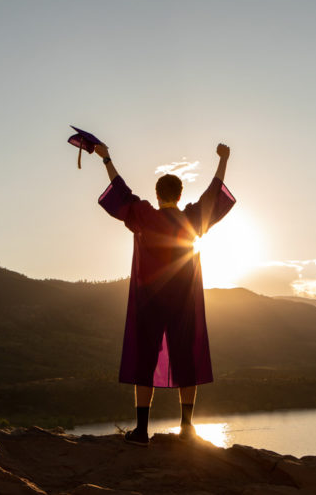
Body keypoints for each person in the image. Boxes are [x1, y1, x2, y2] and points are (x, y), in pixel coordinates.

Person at [94, 142, 235, 446]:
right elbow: (215, 190)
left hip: (150, 303)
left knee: (144, 362)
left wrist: (106, 157)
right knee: (187, 361)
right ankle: (186, 427)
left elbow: (120, 191)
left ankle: (142, 431)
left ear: (158, 195)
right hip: (184, 303)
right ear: (180, 195)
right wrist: (223, 159)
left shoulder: (145, 215)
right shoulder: (192, 218)